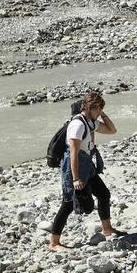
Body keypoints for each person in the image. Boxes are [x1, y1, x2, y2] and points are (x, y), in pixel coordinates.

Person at [49, 92, 123, 251]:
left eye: (101, 109)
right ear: (90, 108)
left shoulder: (90, 121)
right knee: (68, 204)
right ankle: (54, 243)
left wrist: (101, 113)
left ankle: (107, 229)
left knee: (103, 194)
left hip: (87, 164)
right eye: (98, 109)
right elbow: (73, 153)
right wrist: (75, 179)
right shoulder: (78, 125)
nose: (100, 112)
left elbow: (112, 130)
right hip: (73, 167)